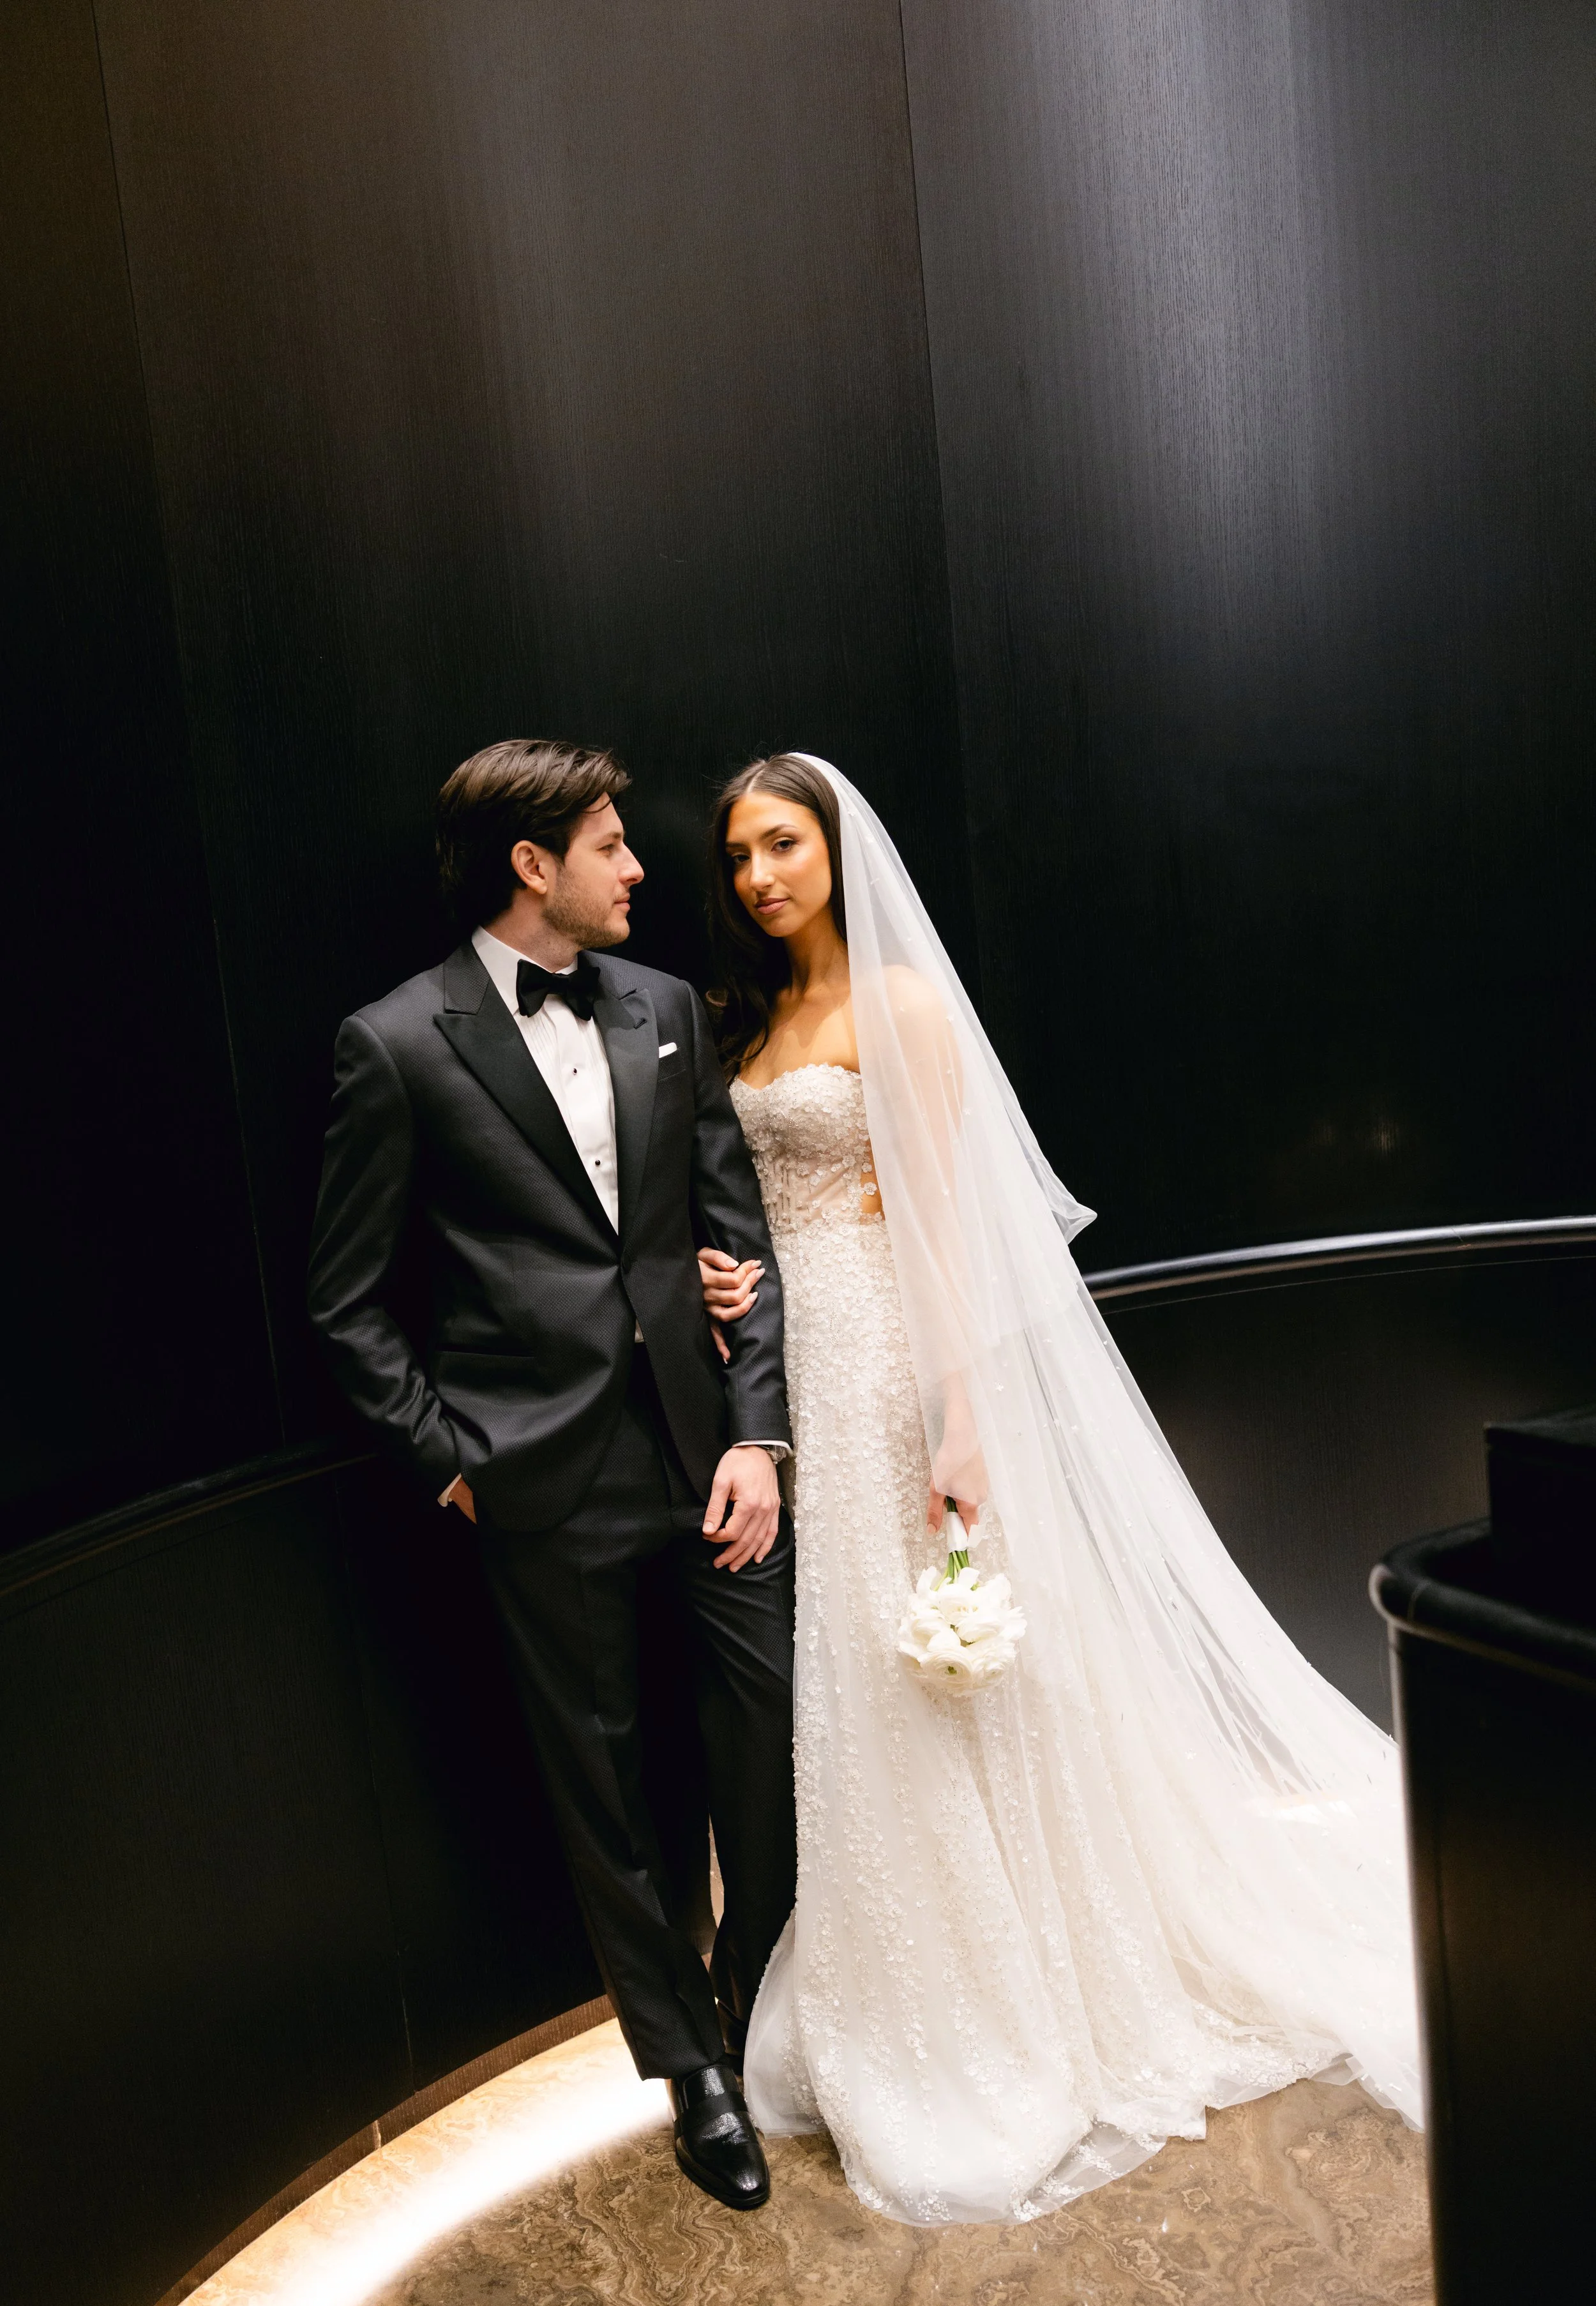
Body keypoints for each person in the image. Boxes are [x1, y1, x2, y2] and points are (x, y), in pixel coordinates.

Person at [697, 751, 1422, 2227]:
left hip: (896, 1362)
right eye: (736, 858)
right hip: (798, 1377)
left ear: (836, 848)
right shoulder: (755, 1017)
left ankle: (997, 2003)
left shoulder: (898, 1008)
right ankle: (877, 1984)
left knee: (940, 1677)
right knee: (848, 1677)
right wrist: (727, 1278)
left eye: (781, 843)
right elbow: (757, 1200)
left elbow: (950, 1225)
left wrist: (961, 1420)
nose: (759, 876)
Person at [308, 738, 796, 2211]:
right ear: (533, 864)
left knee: (773, 1751)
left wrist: (759, 1433)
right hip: (540, 1481)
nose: (639, 867)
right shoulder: (394, 1042)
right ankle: (694, 2067)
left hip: (710, 1459)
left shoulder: (661, 1008)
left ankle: (746, 1990)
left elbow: (740, 1236)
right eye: (609, 841)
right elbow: (345, 1301)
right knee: (605, 1792)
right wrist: (454, 1465)